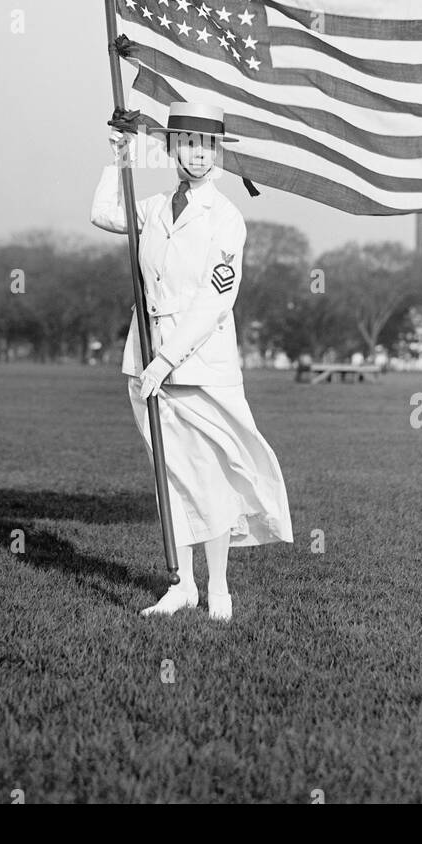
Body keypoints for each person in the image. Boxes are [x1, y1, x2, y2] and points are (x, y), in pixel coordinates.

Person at [90, 101, 293, 621]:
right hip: (146, 360)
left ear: (216, 152)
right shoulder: (154, 207)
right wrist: (119, 157)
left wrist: (167, 360)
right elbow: (104, 215)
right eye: (187, 146)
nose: (197, 157)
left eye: (207, 147)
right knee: (169, 473)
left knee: (210, 473)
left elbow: (214, 299)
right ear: (172, 148)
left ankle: (218, 587)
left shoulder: (226, 218)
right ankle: (181, 584)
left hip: (200, 365)